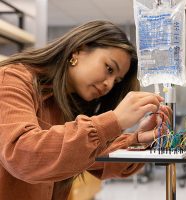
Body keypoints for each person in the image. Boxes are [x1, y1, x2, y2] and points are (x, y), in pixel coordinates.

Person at [0, 20, 171, 200]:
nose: (109, 84)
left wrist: (138, 140)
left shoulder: (69, 103)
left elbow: (102, 158)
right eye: (109, 68)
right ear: (78, 50)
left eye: (117, 80)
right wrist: (114, 121)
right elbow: (22, 155)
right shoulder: (11, 80)